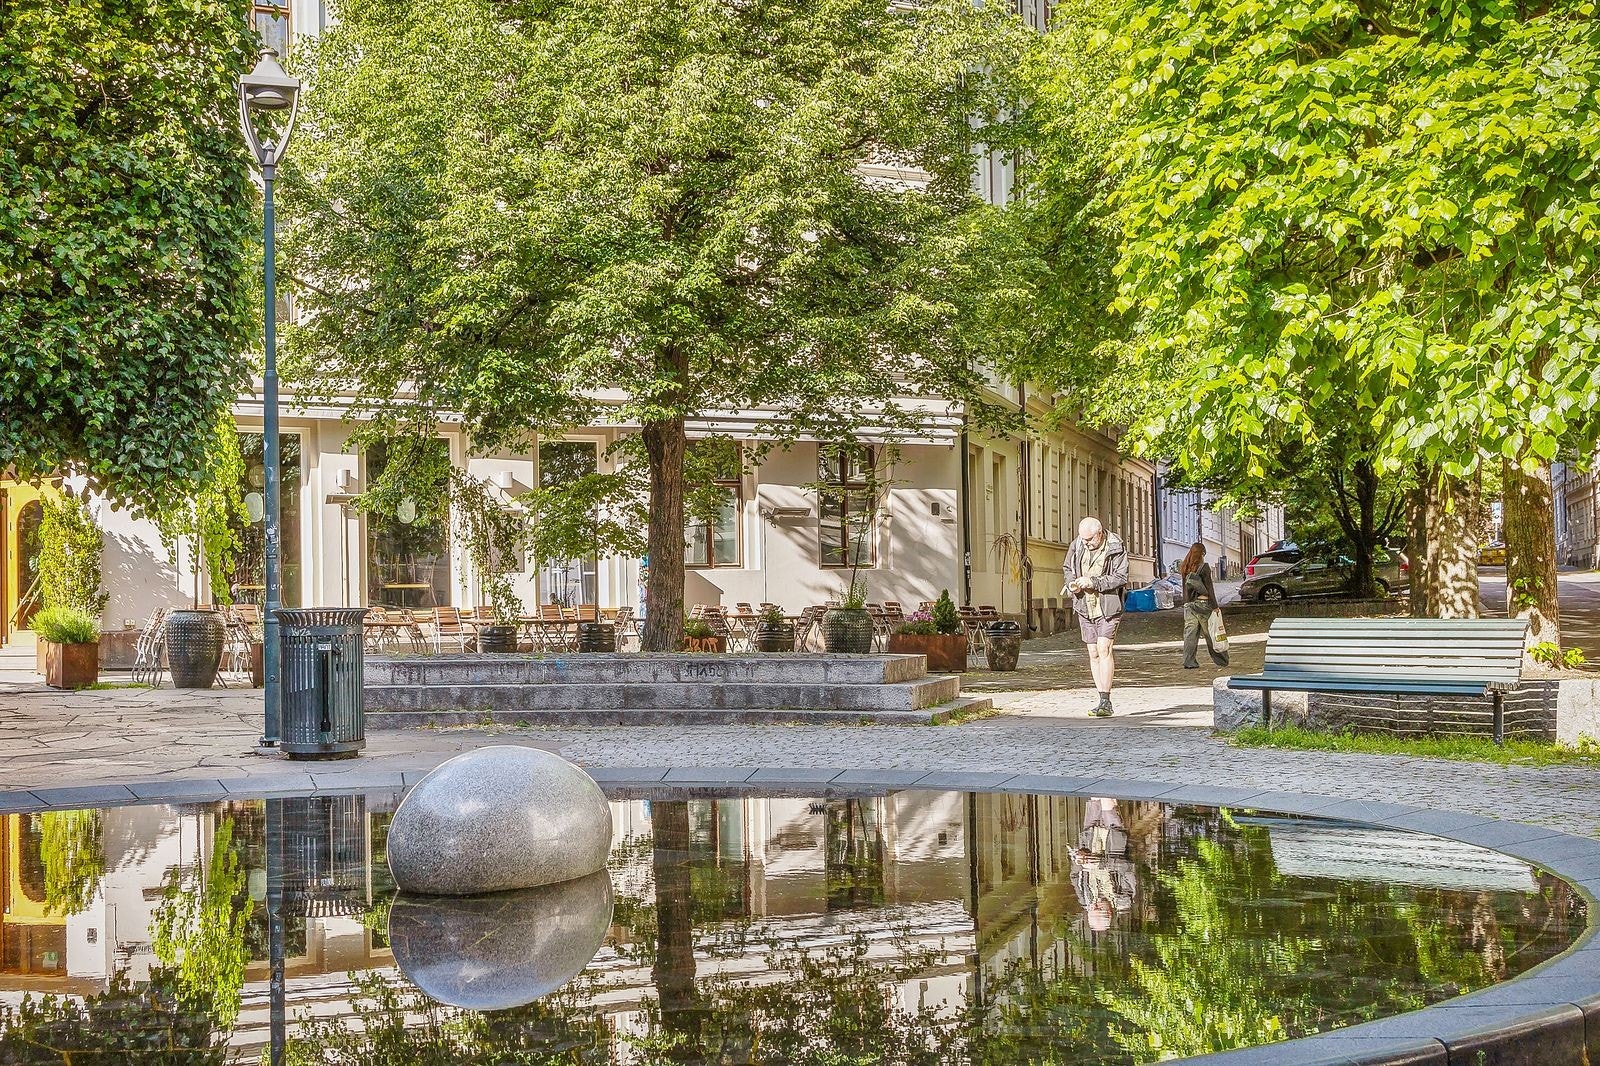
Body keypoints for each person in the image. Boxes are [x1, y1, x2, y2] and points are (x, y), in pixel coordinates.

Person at [1062, 516, 1129, 717]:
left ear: (1099, 534)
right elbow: (1067, 568)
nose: (1086, 543)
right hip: (1084, 605)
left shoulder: (1115, 546)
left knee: (1104, 648)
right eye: (1083, 539)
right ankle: (1100, 697)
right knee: (1093, 652)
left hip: (1108, 606)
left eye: (1089, 539)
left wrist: (1093, 582)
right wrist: (1072, 582)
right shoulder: (1077, 544)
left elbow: (1121, 577)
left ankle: (1105, 700)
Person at [1179, 541, 1228, 669]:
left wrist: (1186, 602)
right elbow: (1209, 587)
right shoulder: (1204, 567)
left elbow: (1185, 589)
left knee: (1190, 635)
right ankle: (1222, 660)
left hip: (1189, 606)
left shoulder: (1185, 566)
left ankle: (1189, 662)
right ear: (1201, 554)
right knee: (1211, 633)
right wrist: (1215, 606)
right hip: (1203, 604)